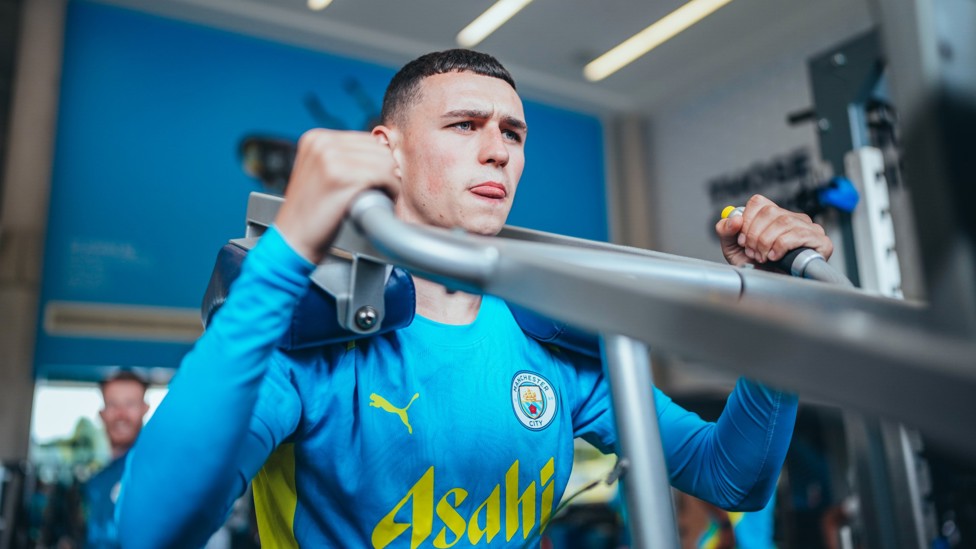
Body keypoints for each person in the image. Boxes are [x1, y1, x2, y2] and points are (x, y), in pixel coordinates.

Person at [117, 49, 834, 548]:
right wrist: (294, 241)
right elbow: (149, 530)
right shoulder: (311, 343)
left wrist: (772, 311)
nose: (498, 150)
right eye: (465, 125)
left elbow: (730, 474)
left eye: (513, 133)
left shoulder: (548, 344)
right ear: (386, 149)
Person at [85, 370, 150, 548]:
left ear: (145, 409)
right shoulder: (97, 481)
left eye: (130, 404)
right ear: (102, 413)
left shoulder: (156, 473)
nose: (121, 414)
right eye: (113, 404)